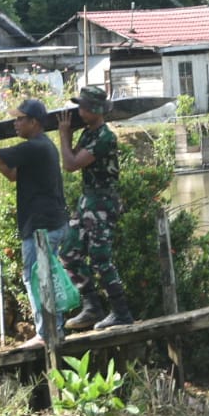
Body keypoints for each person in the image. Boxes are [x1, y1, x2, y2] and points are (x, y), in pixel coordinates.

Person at [0, 98, 69, 348]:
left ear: (34, 122)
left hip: (43, 227)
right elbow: (11, 174)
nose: (15, 123)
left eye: (20, 119)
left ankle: (46, 333)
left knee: (36, 277)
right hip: (48, 224)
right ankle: (54, 329)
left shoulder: (35, 146)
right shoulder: (39, 148)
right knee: (44, 275)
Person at [57, 85, 133, 330]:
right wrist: (68, 136)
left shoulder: (104, 137)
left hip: (102, 202)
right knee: (69, 252)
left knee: (101, 257)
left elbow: (70, 164)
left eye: (82, 106)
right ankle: (92, 307)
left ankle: (121, 312)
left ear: (94, 110)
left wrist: (63, 134)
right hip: (87, 201)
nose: (78, 110)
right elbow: (72, 157)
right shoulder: (89, 133)